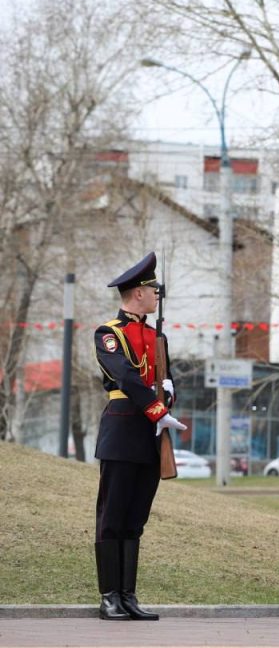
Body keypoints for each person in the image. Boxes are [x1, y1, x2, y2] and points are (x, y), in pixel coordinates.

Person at [93, 252, 187, 620]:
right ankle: (109, 596)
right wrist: (157, 409)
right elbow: (126, 377)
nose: (156, 294)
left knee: (136, 518)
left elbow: (167, 380)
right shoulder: (109, 334)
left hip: (151, 433)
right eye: (152, 289)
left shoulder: (156, 335)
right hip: (123, 428)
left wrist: (168, 393)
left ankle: (128, 595)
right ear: (136, 293)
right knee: (112, 515)